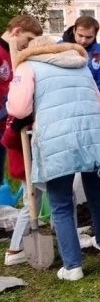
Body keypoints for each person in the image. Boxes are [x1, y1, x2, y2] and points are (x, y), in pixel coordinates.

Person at [7, 35, 100, 281]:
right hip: (92, 131)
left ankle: (72, 266)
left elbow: (19, 109)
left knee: (61, 203)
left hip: (57, 137)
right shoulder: (80, 64)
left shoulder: (28, 66)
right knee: (96, 192)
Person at [0, 16, 44, 187]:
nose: (28, 45)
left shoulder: (15, 55)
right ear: (17, 31)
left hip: (6, 125)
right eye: (28, 39)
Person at [62, 15, 100, 108]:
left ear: (95, 35)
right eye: (80, 35)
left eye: (89, 37)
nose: (83, 40)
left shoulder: (98, 51)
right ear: (74, 31)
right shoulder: (60, 48)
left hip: (88, 101)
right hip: (65, 101)